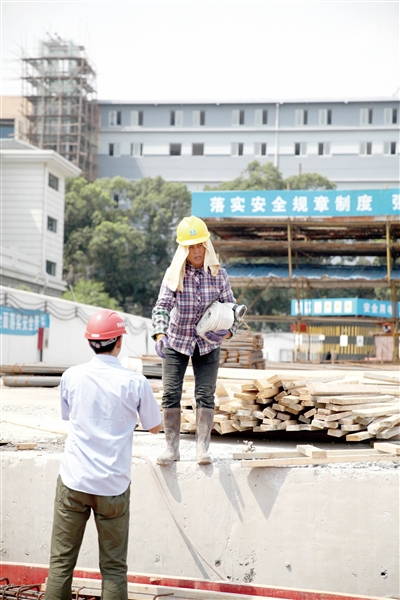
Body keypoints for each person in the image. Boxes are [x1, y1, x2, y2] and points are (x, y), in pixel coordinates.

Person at [44, 309, 161, 600]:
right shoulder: (135, 382)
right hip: (113, 486)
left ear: (89, 342)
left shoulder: (71, 376)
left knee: (60, 564)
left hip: (73, 482)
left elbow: (68, 415)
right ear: (119, 341)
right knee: (114, 568)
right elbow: (155, 427)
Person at [152, 215, 237, 466]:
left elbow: (232, 308)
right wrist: (160, 333)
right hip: (177, 340)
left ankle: (202, 449)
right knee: (170, 393)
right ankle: (171, 448)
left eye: (200, 245)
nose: (197, 251)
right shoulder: (174, 274)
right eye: (191, 247)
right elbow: (162, 306)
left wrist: (226, 332)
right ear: (183, 249)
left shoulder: (219, 274)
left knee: (205, 394)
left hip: (208, 343)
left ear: (206, 245)